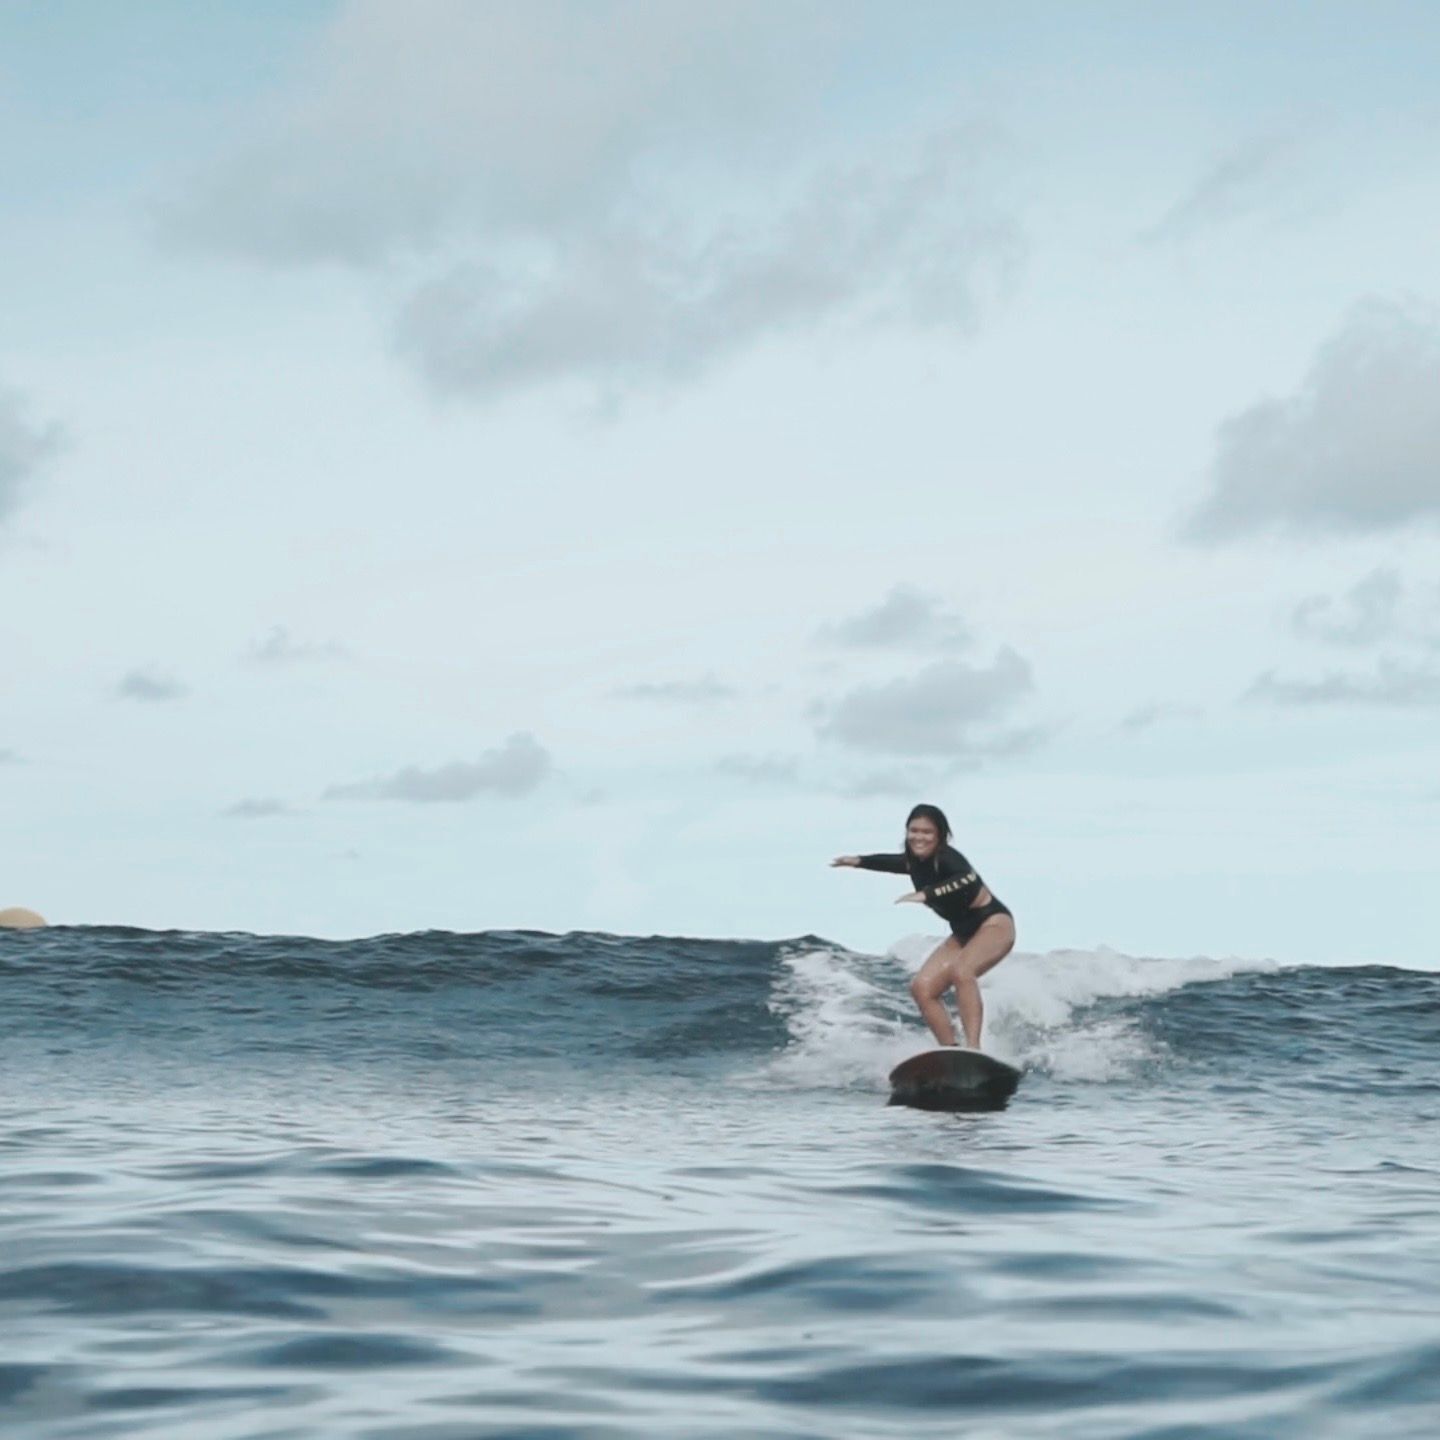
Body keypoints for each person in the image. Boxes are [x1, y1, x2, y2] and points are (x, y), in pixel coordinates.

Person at [831, 803, 1014, 1051]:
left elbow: (965, 880)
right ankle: (952, 1050)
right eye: (913, 830)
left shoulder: (949, 858)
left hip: (993, 924)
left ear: (940, 835)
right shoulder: (914, 862)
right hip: (962, 933)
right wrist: (858, 861)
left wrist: (928, 894)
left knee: (962, 971)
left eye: (927, 832)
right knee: (922, 988)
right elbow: (891, 862)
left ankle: (973, 1048)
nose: (919, 837)